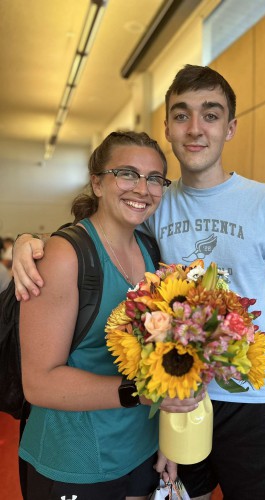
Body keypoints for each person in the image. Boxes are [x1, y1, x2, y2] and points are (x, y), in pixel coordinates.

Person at [13, 65, 265, 500]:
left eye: (211, 114)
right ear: (166, 126)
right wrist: (30, 242)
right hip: (175, 392)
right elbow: (97, 232)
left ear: (230, 127)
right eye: (181, 114)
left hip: (254, 396)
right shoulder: (155, 204)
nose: (195, 128)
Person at [16, 131, 201, 500]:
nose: (142, 188)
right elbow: (39, 383)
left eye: (154, 179)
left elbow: (158, 359)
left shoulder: (150, 250)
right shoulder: (66, 256)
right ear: (97, 183)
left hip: (140, 453)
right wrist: (143, 394)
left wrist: (166, 441)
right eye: (128, 173)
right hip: (74, 461)